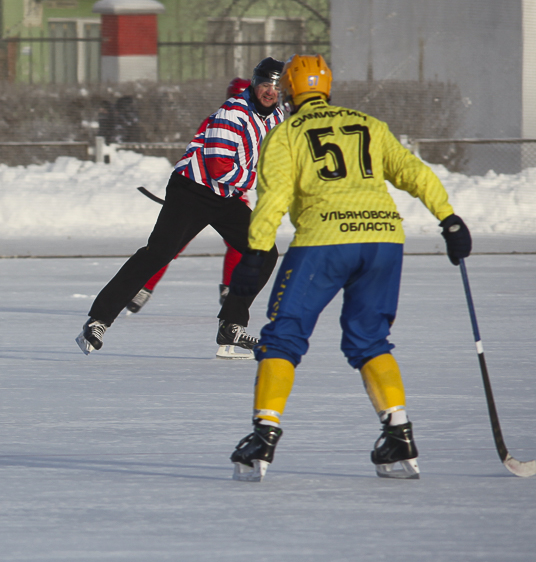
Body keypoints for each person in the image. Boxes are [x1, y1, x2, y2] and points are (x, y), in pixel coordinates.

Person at [225, 54, 471, 481]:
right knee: (371, 339)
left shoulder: (285, 136)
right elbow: (412, 171)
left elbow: (274, 199)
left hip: (324, 242)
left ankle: (263, 435)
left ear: (288, 94)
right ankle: (398, 433)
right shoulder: (368, 124)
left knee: (284, 336)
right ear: (328, 89)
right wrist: (448, 218)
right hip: (383, 240)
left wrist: (255, 252)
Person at [77, 58, 286, 359]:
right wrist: (266, 179)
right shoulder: (233, 112)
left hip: (226, 195)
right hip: (193, 190)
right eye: (265, 84)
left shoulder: (277, 116)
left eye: (276, 87)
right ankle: (98, 320)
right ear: (254, 84)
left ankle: (231, 327)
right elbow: (218, 167)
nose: (270, 91)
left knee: (263, 252)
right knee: (159, 253)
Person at [126, 78, 251, 319]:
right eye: (234, 98)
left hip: (231, 193)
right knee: (174, 242)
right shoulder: (217, 121)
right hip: (203, 192)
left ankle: (229, 289)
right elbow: (196, 153)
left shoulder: (257, 124)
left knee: (244, 244)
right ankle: (144, 286)